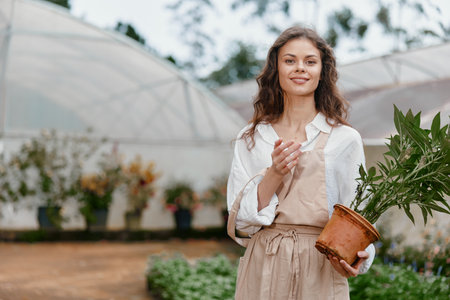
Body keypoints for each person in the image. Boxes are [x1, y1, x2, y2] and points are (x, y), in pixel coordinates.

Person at [226, 26, 375, 300]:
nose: (300, 68)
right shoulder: (252, 138)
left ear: (322, 71)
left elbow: (359, 212)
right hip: (264, 265)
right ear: (276, 69)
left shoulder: (345, 139)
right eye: (289, 60)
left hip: (320, 266)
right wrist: (274, 173)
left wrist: (359, 257)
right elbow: (242, 224)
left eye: (310, 61)